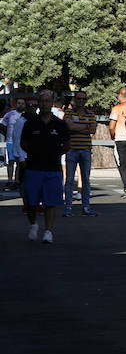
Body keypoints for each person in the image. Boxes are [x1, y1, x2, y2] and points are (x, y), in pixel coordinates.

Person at [21, 91, 70, 243]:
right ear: (38, 103)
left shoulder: (60, 124)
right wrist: (33, 154)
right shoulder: (30, 123)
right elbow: (23, 142)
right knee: (31, 202)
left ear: (52, 103)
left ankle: (48, 231)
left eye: (47, 101)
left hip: (53, 169)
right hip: (33, 168)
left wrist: (55, 154)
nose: (44, 104)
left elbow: (67, 145)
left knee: (51, 202)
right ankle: (33, 225)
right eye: (42, 101)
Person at [62, 90, 98, 217]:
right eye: (79, 99)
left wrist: (76, 127)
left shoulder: (91, 113)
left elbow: (93, 129)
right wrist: (85, 128)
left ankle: (86, 207)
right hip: (72, 149)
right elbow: (69, 127)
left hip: (86, 150)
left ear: (86, 100)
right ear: (75, 100)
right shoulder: (69, 112)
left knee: (86, 180)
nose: (81, 101)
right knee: (70, 179)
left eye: (83, 99)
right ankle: (68, 207)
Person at [1, 97, 25, 190]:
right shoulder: (10, 114)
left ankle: (17, 181)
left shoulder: (26, 115)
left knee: (19, 162)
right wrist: (7, 134)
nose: (21, 105)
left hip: (21, 142)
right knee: (11, 162)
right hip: (10, 142)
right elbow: (3, 124)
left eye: (22, 103)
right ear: (16, 104)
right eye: (19, 103)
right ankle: (9, 180)